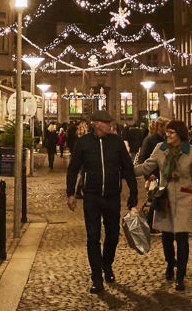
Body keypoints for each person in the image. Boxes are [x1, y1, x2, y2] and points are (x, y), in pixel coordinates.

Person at [66, 110, 139, 294]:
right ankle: (96, 276)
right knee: (92, 237)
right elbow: (73, 169)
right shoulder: (84, 143)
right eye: (107, 123)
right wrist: (70, 193)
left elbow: (128, 169)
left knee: (113, 235)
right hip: (91, 196)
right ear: (97, 124)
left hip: (113, 196)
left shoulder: (116, 143)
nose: (111, 125)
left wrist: (134, 192)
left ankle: (107, 265)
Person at [134, 119, 192, 290]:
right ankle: (170, 263)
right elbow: (146, 167)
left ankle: (180, 274)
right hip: (164, 199)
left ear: (180, 134)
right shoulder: (160, 148)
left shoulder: (191, 151)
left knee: (182, 238)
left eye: (171, 132)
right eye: (167, 132)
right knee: (166, 237)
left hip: (184, 199)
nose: (168, 135)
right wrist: (126, 169)